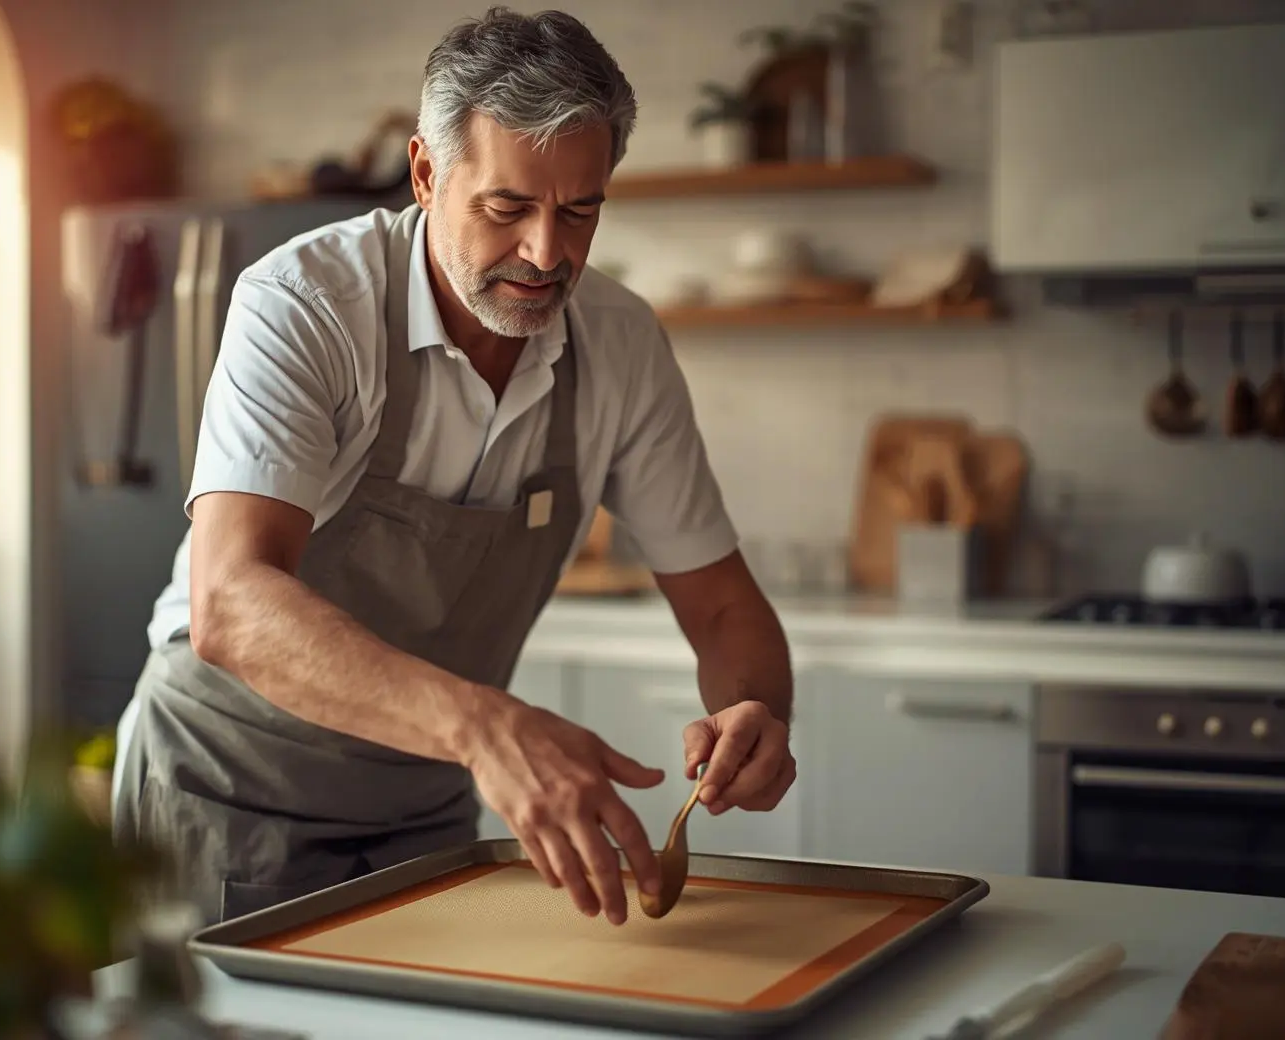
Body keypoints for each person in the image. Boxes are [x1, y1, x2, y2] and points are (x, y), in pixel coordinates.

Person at [112, 6, 795, 928]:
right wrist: (486, 727)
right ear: (427, 174)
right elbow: (231, 601)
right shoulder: (306, 303)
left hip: (423, 816)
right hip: (224, 795)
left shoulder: (621, 344)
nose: (547, 254)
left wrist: (755, 710)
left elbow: (720, 605)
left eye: (579, 211)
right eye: (507, 209)